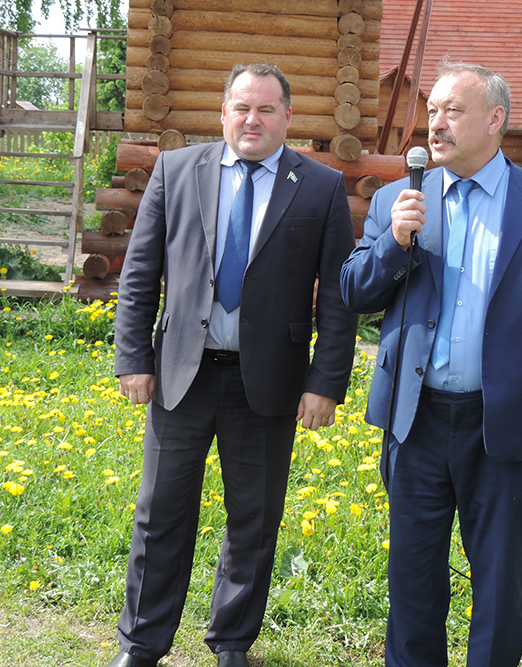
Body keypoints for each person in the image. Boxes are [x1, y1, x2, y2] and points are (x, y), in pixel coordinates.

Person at [340, 60, 522, 667]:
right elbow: (353, 293)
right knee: (411, 581)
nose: (436, 124)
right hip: (417, 421)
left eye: (452, 111)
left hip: (505, 424)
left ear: (495, 120)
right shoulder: (395, 201)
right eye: (432, 111)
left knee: (498, 585)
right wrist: (393, 243)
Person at [109, 63, 359, 667]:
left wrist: (326, 381)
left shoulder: (321, 187)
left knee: (255, 518)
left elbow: (340, 297)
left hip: (268, 384)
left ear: (287, 118)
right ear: (223, 112)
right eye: (242, 107)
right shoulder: (176, 170)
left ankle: (231, 644)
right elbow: (141, 271)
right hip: (180, 376)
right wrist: (132, 357)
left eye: (266, 109)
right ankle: (142, 644)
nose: (253, 119)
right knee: (160, 514)